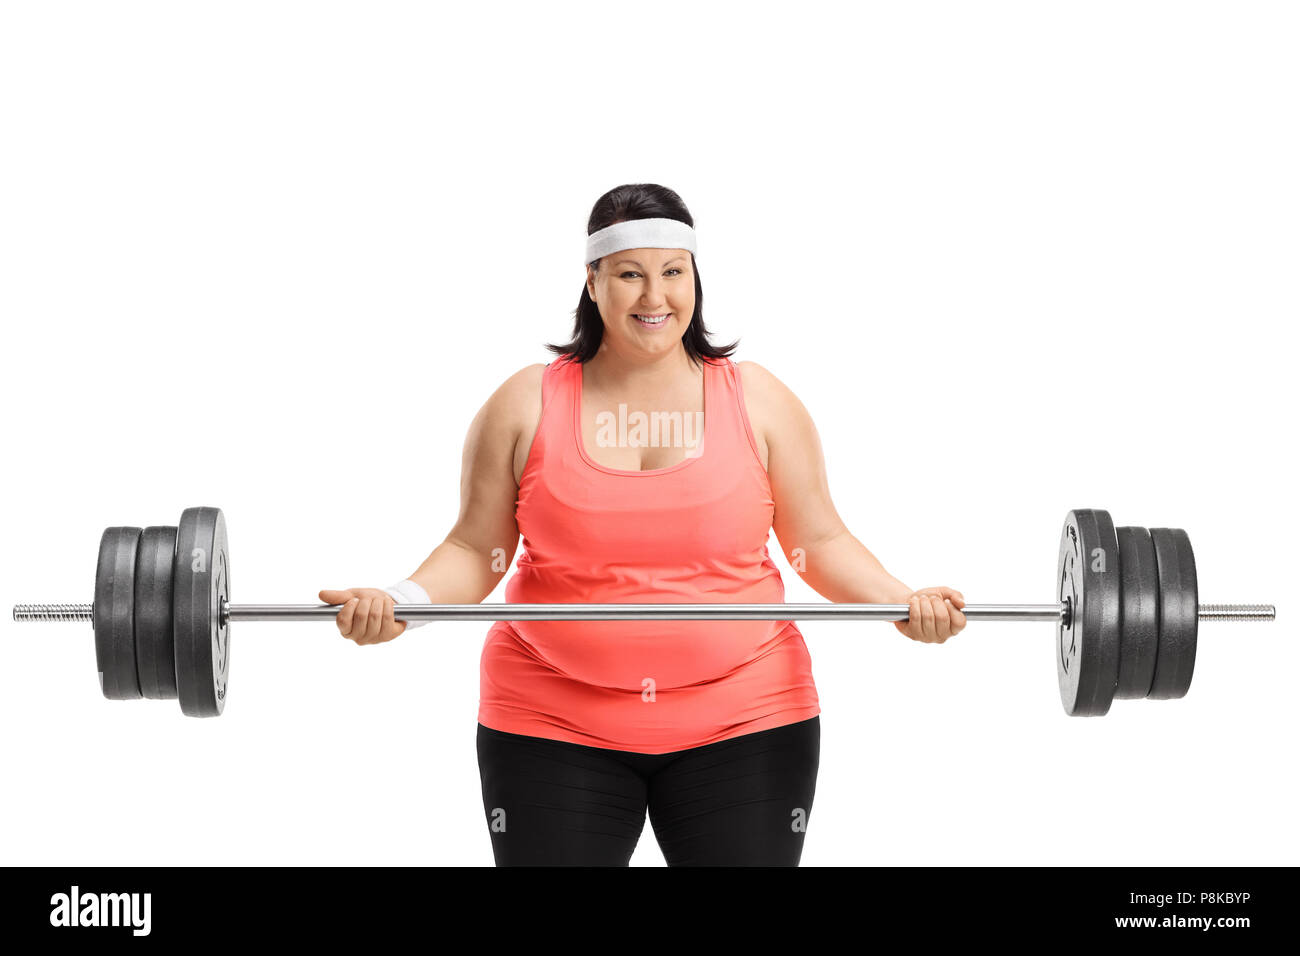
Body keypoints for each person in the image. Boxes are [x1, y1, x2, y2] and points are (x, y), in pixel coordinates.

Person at [319, 183, 967, 866]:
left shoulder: (760, 400)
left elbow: (821, 542)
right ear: (593, 282)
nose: (655, 298)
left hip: (745, 719)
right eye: (630, 275)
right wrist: (404, 604)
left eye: (673, 273)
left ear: (695, 278)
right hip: (551, 722)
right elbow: (474, 550)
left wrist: (902, 601)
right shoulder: (524, 404)